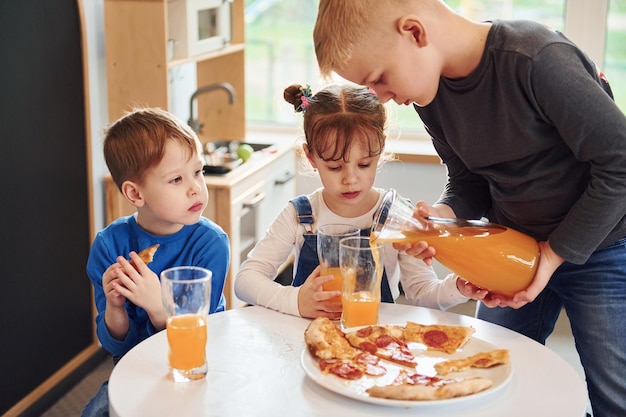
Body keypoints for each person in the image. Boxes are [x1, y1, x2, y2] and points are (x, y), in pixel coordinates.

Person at [312, 1, 626, 415]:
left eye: (380, 80)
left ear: (415, 32)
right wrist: (445, 215)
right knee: (489, 382)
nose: (382, 98)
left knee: (612, 393)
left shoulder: (535, 60)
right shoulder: (429, 94)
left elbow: (620, 164)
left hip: (603, 246)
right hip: (517, 252)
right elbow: (469, 180)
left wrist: (554, 254)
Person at [234, 83, 487, 319]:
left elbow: (423, 293)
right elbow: (245, 280)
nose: (351, 179)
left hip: (374, 346)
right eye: (335, 167)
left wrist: (458, 286)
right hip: (305, 341)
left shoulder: (397, 216)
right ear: (311, 158)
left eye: (364, 164)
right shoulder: (300, 215)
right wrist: (295, 300)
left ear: (380, 149)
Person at [82, 107, 230, 417]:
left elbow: (203, 340)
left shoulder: (211, 244)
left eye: (198, 172)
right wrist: (115, 306)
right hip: (135, 370)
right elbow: (116, 347)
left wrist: (158, 306)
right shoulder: (109, 246)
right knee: (96, 412)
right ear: (135, 193)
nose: (195, 187)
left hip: (197, 368)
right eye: (176, 179)